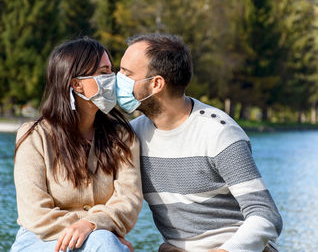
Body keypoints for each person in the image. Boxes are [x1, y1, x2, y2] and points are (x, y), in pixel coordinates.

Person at [116, 33, 283, 252]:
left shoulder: (219, 133)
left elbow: (266, 215)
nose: (116, 80)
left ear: (156, 84)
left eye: (126, 74)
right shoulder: (132, 135)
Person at [10, 37, 143, 252]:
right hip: (39, 240)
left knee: (105, 243)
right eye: (103, 72)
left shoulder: (123, 137)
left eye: (111, 71)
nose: (112, 79)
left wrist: (92, 226)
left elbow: (129, 200)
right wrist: (94, 228)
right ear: (76, 83)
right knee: (106, 243)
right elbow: (34, 212)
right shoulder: (35, 136)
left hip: (99, 236)